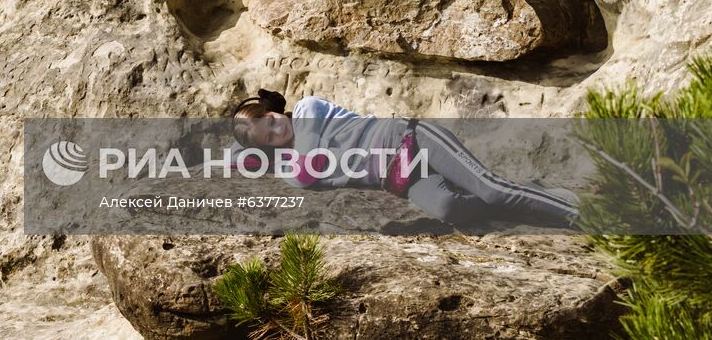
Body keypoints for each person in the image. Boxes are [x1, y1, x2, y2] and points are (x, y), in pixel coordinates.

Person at [231, 89, 580, 230]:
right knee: (450, 209)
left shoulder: (308, 110)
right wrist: (248, 150)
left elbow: (306, 174)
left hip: (410, 139)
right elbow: (297, 173)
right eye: (269, 137)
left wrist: (257, 154)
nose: (278, 130)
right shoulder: (291, 157)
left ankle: (584, 217)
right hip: (400, 177)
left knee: (491, 189)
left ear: (275, 111)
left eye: (272, 120)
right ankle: (529, 194)